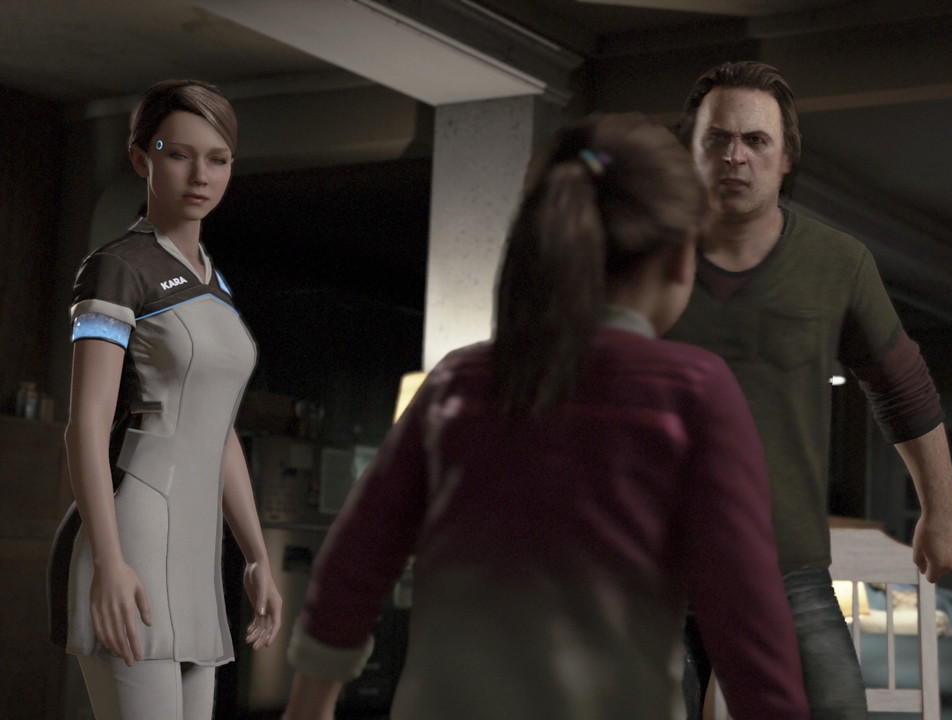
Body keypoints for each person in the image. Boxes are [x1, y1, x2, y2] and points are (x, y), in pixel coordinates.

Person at [282, 113, 810, 720]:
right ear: (679, 257)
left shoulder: (456, 383)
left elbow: (356, 558)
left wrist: (308, 707)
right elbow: (747, 615)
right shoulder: (694, 392)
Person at [667, 61, 952, 719]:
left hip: (783, 565)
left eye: (756, 141)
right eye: (717, 138)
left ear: (786, 160)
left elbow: (901, 385)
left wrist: (943, 510)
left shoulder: (837, 262)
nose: (735, 156)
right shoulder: (630, 257)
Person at [46, 79, 282, 720]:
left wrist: (257, 555)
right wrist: (110, 561)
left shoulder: (214, 282)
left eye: (218, 159)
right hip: (134, 534)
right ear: (140, 158)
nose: (200, 175)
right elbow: (86, 423)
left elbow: (219, 431)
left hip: (199, 552)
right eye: (179, 154)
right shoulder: (118, 268)